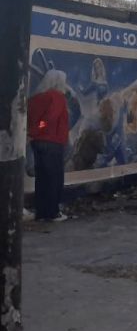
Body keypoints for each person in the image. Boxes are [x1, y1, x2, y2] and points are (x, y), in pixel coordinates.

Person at [28, 70, 70, 222]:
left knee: (42, 179)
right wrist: (38, 129)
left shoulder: (35, 98)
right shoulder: (57, 97)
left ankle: (41, 212)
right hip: (52, 142)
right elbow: (49, 118)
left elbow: (31, 118)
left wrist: (32, 133)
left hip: (37, 142)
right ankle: (52, 212)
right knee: (54, 178)